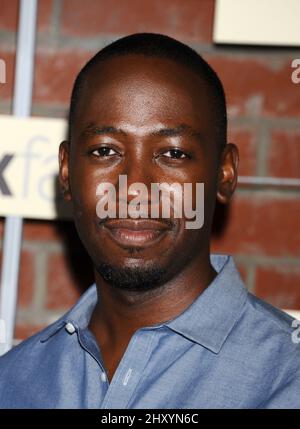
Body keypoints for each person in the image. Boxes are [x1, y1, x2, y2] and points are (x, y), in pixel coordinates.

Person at [0, 33, 299, 409]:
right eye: (105, 150)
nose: (136, 189)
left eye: (173, 153)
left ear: (224, 173)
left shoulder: (287, 377)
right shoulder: (11, 381)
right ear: (66, 171)